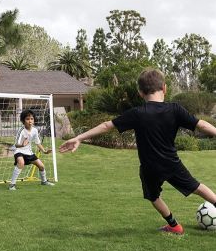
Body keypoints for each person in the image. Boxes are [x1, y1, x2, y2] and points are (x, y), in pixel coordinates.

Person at [59, 68, 216, 235]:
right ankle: (176, 225)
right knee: (197, 187)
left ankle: (174, 225)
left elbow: (106, 126)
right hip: (171, 164)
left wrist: (79, 138)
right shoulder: (175, 109)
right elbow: (202, 125)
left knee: (153, 196)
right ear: (164, 88)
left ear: (140, 92)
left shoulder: (137, 113)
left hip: (149, 167)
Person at [9, 109, 54, 190]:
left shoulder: (35, 130)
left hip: (28, 152)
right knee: (21, 163)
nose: (30, 121)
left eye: (31, 119)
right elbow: (16, 144)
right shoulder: (21, 130)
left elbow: (38, 142)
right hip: (19, 151)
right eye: (27, 119)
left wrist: (44, 151)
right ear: (23, 121)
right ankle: (12, 185)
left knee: (41, 166)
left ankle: (44, 181)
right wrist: (22, 144)